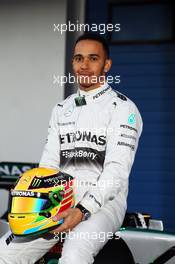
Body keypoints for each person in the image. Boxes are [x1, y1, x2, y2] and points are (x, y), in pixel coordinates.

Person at [0, 33, 143, 264]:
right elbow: (48, 166)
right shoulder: (61, 108)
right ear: (72, 63)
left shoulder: (123, 109)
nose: (84, 65)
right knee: (4, 253)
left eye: (93, 58)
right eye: (78, 58)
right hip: (59, 201)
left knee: (74, 254)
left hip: (104, 205)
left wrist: (82, 210)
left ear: (106, 65)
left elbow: (116, 172)